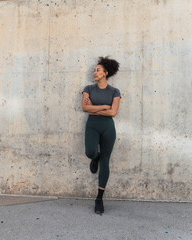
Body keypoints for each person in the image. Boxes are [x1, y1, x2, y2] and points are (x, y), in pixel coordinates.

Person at [82, 56, 121, 215]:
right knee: (90, 152)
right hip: (92, 125)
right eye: (94, 70)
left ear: (105, 73)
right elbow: (85, 109)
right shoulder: (88, 89)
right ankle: (94, 157)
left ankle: (99, 199)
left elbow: (113, 112)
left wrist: (95, 107)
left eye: (97, 70)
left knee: (106, 161)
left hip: (108, 128)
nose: (94, 72)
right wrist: (105, 106)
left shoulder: (115, 91)